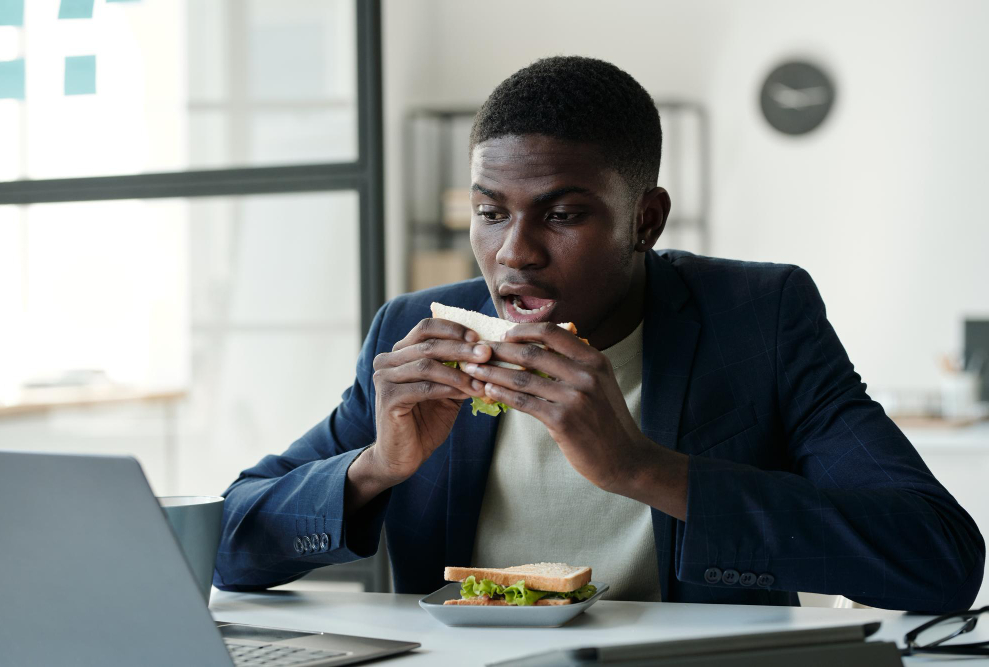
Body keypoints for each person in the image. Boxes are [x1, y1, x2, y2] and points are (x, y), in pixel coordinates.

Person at [214, 56, 984, 611]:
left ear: (646, 219)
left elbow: (937, 558)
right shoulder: (422, 333)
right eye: (489, 213)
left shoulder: (761, 317)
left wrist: (644, 468)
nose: (514, 251)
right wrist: (375, 467)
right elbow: (228, 542)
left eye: (563, 214)